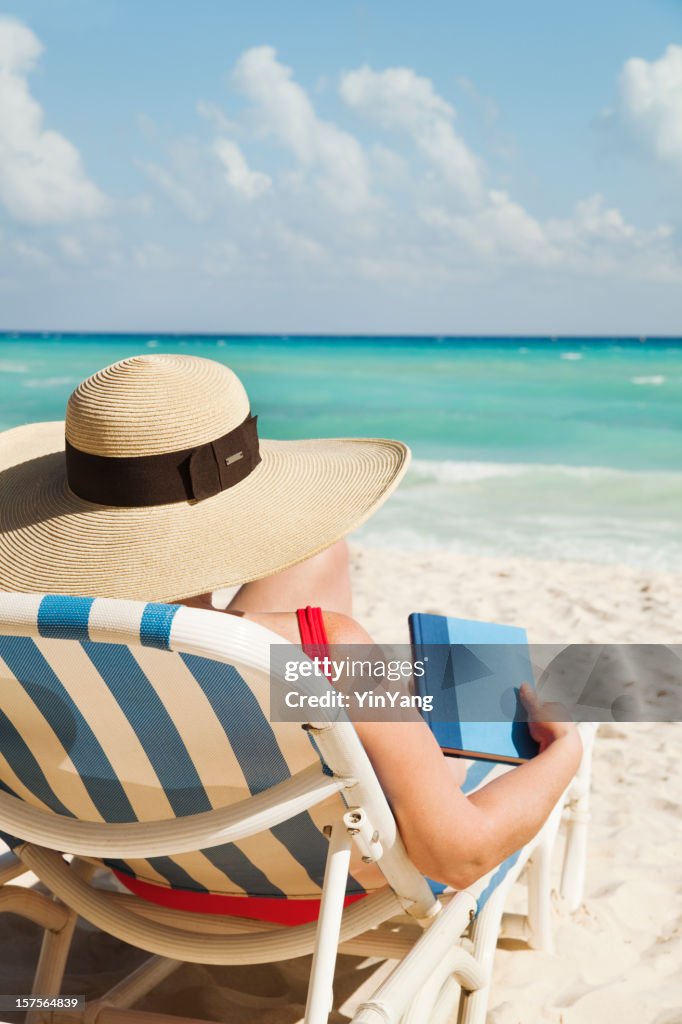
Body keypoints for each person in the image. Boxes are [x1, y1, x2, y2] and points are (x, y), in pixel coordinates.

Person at [0, 352, 582, 894]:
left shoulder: (20, 645)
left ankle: (383, 728)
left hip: (135, 868)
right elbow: (461, 856)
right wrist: (565, 752)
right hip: (316, 889)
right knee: (481, 701)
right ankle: (394, 732)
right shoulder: (325, 649)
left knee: (318, 556)